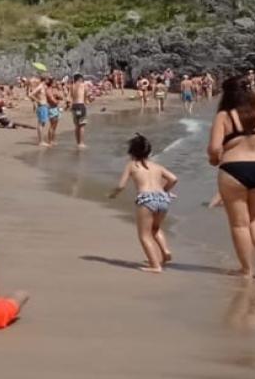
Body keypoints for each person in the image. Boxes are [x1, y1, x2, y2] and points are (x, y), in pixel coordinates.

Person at [208, 77, 255, 278]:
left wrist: (214, 159)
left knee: (240, 224)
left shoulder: (224, 116)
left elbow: (215, 148)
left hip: (234, 169)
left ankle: (247, 270)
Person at [108, 134, 178, 272]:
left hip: (146, 199)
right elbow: (173, 178)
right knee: (155, 228)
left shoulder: (132, 165)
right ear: (149, 152)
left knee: (144, 235)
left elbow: (121, 186)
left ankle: (155, 265)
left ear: (131, 152)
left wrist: (113, 194)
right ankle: (165, 252)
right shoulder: (156, 166)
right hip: (163, 199)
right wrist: (164, 190)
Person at [68, 74, 91, 148]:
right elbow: (87, 95)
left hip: (74, 106)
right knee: (82, 125)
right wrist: (88, 99)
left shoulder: (72, 86)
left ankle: (77, 142)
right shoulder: (83, 85)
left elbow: (69, 97)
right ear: (80, 79)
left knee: (77, 125)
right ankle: (81, 143)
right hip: (81, 106)